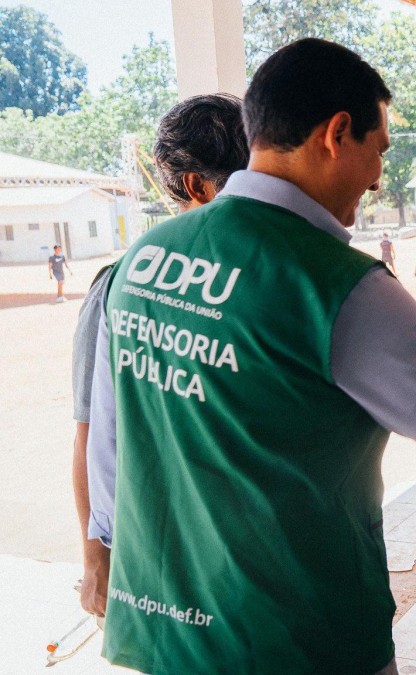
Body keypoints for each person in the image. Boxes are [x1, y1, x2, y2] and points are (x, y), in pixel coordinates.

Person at [85, 38, 416, 674]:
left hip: (165, 622)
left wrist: (101, 549)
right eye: (378, 150)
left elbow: (107, 442)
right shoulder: (342, 287)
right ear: (337, 133)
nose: (380, 176)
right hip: (295, 631)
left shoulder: (142, 260)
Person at [71, 93, 250, 620]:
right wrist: (95, 555)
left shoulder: (272, 283)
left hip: (237, 556)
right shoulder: (117, 285)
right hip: (157, 552)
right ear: (196, 188)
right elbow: (93, 431)